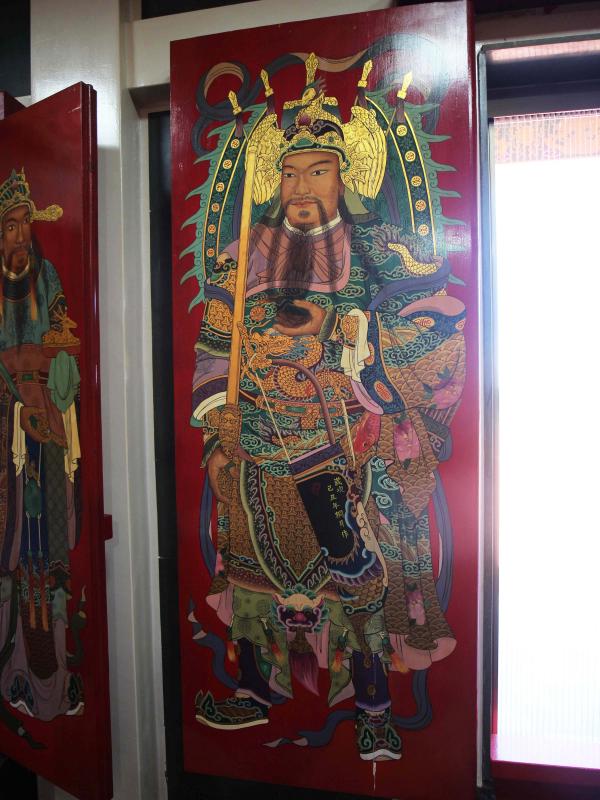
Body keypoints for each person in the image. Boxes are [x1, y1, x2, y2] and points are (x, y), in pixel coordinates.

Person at [192, 63, 465, 761]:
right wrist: (219, 420)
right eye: (290, 174)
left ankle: (372, 706)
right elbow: (217, 341)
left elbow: (425, 330)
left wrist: (342, 331)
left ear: (345, 178)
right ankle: (256, 689)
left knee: (352, 570)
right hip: (257, 434)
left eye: (318, 172)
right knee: (248, 563)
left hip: (338, 434)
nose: (302, 188)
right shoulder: (243, 255)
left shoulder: (375, 253)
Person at [0, 169, 84, 724]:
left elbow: (62, 342)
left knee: (52, 548)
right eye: (9, 226)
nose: (20, 235)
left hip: (48, 422)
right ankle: (16, 669)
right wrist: (15, 402)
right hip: (8, 430)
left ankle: (55, 670)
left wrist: (48, 378)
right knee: (13, 547)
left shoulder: (46, 274)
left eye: (25, 223)